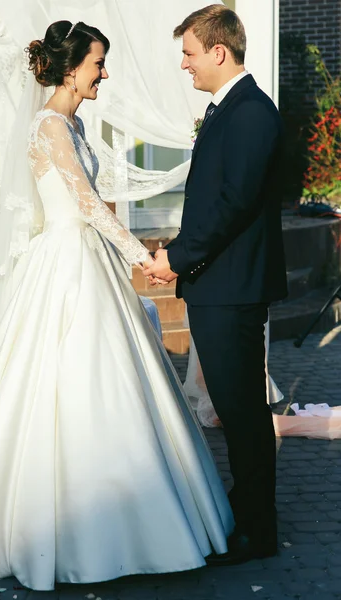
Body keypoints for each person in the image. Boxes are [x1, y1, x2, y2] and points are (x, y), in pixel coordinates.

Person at [0, 20, 234, 590]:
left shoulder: (73, 123)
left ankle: (137, 525)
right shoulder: (49, 125)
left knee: (114, 379)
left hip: (88, 261)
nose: (105, 72)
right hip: (67, 263)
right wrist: (143, 256)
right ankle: (77, 533)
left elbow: (97, 201)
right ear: (72, 68)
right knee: (69, 382)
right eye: (99, 62)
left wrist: (139, 253)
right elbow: (89, 205)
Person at [144, 5, 287, 565]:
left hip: (232, 289)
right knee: (235, 407)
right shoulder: (230, 109)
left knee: (243, 412)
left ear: (218, 52)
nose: (185, 64)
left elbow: (231, 205)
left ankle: (257, 532)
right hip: (221, 286)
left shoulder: (250, 113)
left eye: (189, 53)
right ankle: (246, 510)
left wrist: (177, 258)